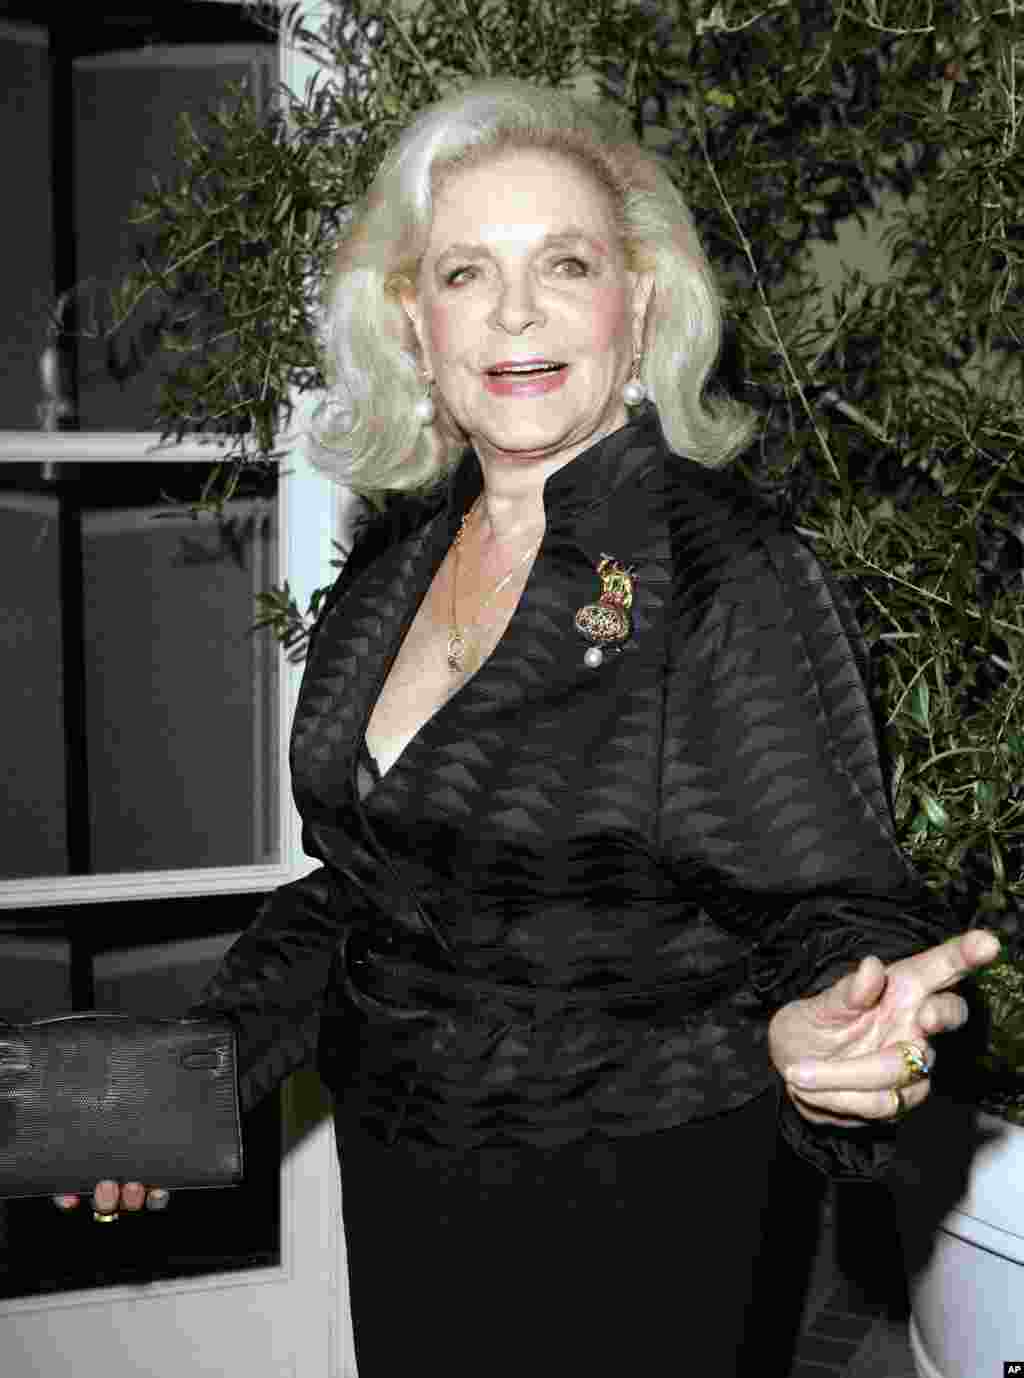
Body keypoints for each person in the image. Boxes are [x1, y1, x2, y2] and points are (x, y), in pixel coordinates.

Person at [56, 80, 1000, 1374]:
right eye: (463, 273)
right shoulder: (397, 560)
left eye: (565, 263)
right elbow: (367, 893)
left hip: (637, 1209)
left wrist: (847, 1027)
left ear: (642, 302)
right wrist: (177, 1080)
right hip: (405, 1185)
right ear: (413, 321)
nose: (514, 314)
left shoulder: (726, 570)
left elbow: (837, 899)